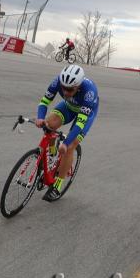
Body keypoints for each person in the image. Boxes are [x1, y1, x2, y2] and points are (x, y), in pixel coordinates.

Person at [36, 65, 99, 202]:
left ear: (79, 85)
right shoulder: (57, 81)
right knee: (49, 124)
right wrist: (40, 117)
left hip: (86, 114)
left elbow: (80, 123)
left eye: (70, 89)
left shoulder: (89, 92)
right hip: (69, 107)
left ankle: (57, 186)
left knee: (70, 147)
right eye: (63, 87)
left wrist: (65, 143)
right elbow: (44, 102)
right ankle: (52, 155)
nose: (65, 91)